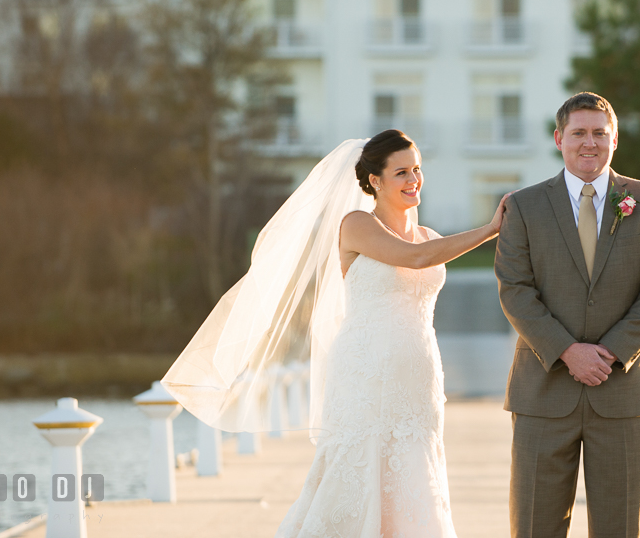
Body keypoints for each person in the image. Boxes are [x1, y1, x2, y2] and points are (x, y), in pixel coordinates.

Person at [163, 129, 506, 537]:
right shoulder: (357, 225)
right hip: (366, 372)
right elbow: (414, 259)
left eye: (416, 169)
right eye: (401, 172)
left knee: (416, 470)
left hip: (419, 375)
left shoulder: (431, 236)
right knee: (357, 468)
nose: (414, 179)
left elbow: (425, 251)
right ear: (375, 181)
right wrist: (489, 229)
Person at [495, 92, 640, 538]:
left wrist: (611, 353)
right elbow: (515, 290)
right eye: (578, 132)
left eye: (600, 133)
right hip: (543, 390)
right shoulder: (523, 206)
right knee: (534, 526)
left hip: (624, 393)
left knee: (620, 529)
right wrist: (567, 351)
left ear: (615, 139)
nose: (589, 142)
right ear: (559, 138)